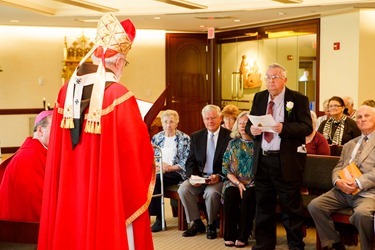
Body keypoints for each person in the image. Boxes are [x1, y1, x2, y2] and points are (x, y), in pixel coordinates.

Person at [38, 13, 155, 250]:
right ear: (120, 61)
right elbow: (136, 155)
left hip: (70, 191)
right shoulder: (118, 95)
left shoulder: (64, 93)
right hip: (107, 196)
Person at [246, 63, 313, 250]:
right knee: (263, 207)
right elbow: (249, 124)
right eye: (267, 77)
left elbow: (307, 127)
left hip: (286, 161)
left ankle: (295, 245)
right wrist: (251, 130)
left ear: (285, 79)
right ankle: (264, 245)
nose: (271, 80)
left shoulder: (297, 99)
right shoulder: (259, 97)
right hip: (262, 160)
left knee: (291, 208)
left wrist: (285, 128)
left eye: (275, 77)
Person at [307, 105, 375, 250]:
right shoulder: (350, 144)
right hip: (342, 191)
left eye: (367, 116)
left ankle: (367, 247)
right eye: (359, 117)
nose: (362, 119)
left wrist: (357, 182)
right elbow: (338, 167)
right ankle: (335, 244)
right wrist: (338, 181)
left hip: (367, 193)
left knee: (363, 215)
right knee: (315, 206)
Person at [178, 104, 231, 240]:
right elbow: (190, 161)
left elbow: (230, 163)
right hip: (200, 177)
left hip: (218, 178)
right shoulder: (196, 136)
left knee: (211, 193)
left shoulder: (229, 136)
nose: (210, 121)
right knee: (183, 189)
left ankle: (211, 224)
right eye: (207, 118)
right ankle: (196, 223)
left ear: (220, 118)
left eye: (213, 118)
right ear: (203, 119)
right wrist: (192, 176)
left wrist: (219, 176)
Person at [0, 111, 52, 221]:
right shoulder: (30, 156)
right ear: (40, 130)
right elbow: (34, 203)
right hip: (22, 230)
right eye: (55, 129)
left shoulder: (38, 152)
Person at [149, 109, 190, 232]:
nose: (168, 125)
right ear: (162, 122)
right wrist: (159, 165)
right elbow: (150, 156)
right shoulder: (157, 137)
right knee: (146, 179)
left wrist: (169, 168)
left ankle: (159, 219)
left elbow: (186, 161)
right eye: (165, 122)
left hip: (177, 172)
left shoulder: (184, 138)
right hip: (159, 169)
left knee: (156, 179)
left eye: (171, 122)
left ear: (177, 123)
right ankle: (146, 215)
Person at [222, 111, 256, 248]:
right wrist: (237, 183)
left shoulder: (258, 144)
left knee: (248, 197)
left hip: (253, 183)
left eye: (246, 123)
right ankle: (230, 235)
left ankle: (243, 235)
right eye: (240, 123)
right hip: (233, 181)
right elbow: (225, 168)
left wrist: (246, 184)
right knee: (230, 194)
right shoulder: (232, 143)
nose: (242, 126)